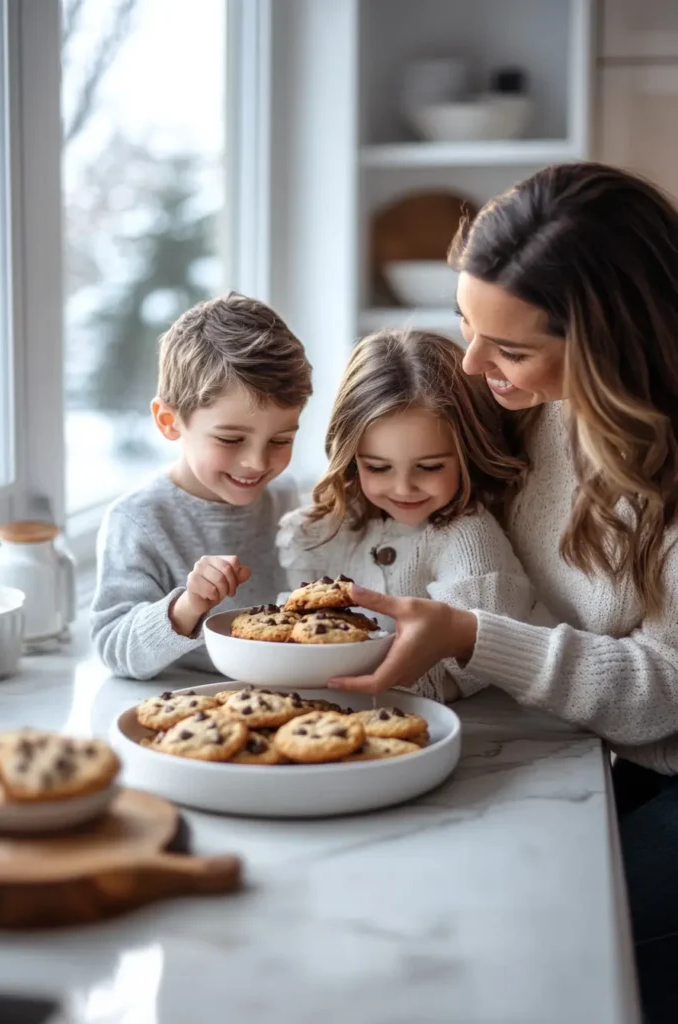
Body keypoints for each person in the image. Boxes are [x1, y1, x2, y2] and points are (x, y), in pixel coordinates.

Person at [328, 162, 678, 1024]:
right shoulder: (524, 400)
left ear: (609, 347)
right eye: (464, 324)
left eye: (510, 348)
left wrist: (470, 635)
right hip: (563, 740)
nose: (475, 363)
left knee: (542, 960)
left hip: (654, 772)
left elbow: (661, 694)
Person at [277, 329, 553, 701]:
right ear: (350, 458)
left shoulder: (469, 537)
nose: (404, 488)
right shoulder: (322, 529)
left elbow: (476, 664)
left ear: (467, 453)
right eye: (378, 467)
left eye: (429, 467)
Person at [91, 292, 312, 680]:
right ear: (169, 420)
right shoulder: (138, 520)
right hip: (188, 709)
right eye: (230, 440)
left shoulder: (285, 498)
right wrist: (187, 607)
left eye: (281, 441)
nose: (257, 463)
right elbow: (113, 648)